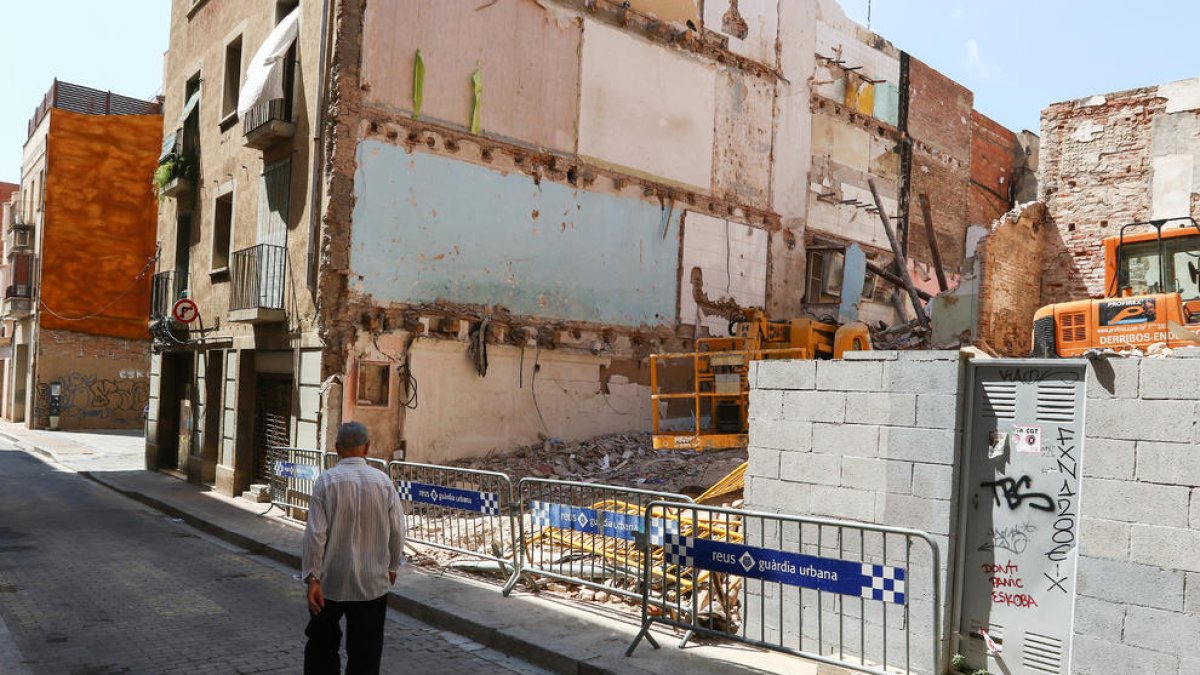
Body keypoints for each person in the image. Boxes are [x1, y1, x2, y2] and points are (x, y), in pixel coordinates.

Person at [302, 421, 406, 674]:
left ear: (337, 448)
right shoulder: (383, 482)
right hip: (372, 583)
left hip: (331, 582)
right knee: (366, 652)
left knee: (321, 647)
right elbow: (397, 530)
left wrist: (313, 578)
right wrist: (392, 566)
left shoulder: (326, 482)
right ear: (367, 448)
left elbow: (316, 534)